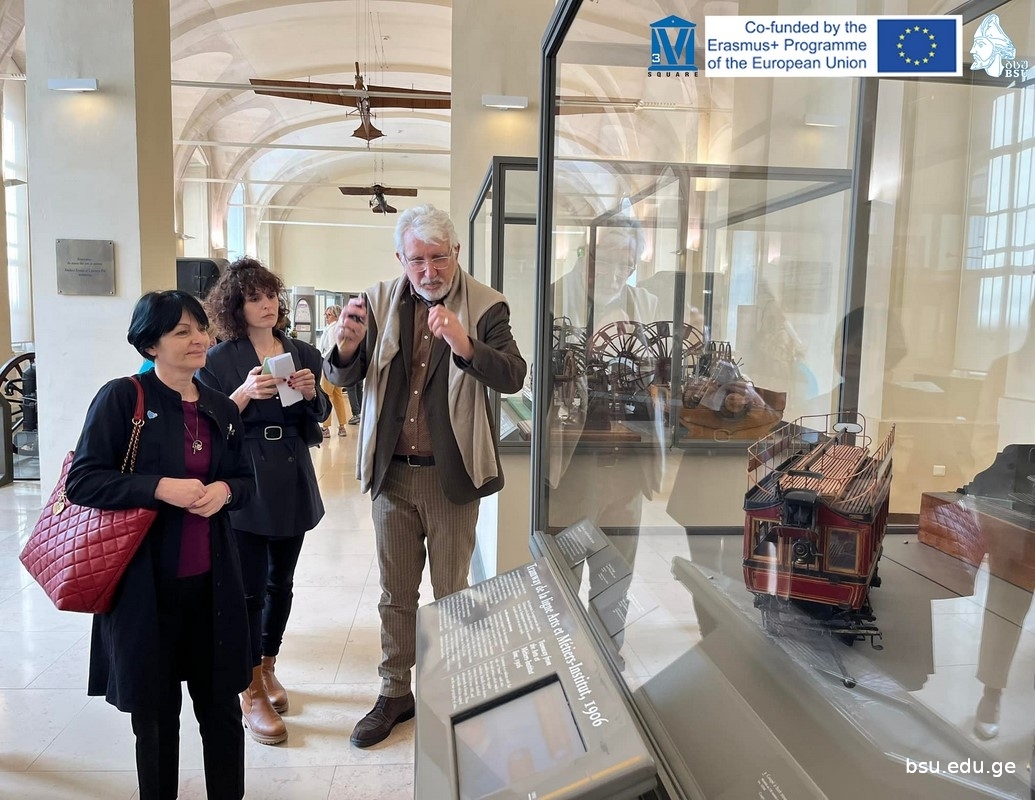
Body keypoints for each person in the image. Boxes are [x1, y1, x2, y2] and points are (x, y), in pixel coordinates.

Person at [324, 204, 526, 748]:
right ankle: (395, 692)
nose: (429, 270)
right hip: (391, 474)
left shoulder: (485, 305)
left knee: (452, 592)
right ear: (401, 259)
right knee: (395, 593)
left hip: (451, 477)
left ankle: (450, 690)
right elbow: (343, 373)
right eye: (417, 260)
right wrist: (345, 346)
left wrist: (465, 344)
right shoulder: (377, 301)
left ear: (456, 252)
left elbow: (513, 375)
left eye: (439, 257)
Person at [66, 290, 254, 800]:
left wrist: (225, 490)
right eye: (182, 332)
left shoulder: (220, 406)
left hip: (212, 588)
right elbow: (83, 481)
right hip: (144, 590)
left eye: (201, 328)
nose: (199, 340)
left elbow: (245, 480)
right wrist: (159, 487)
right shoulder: (122, 398)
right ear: (150, 345)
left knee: (221, 711)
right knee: (155, 720)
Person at [197, 257, 329, 745]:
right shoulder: (219, 359)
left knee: (282, 583)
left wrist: (312, 395)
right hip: (246, 474)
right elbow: (208, 422)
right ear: (236, 306)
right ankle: (249, 685)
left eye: (271, 295)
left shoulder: (303, 352)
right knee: (248, 588)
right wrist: (243, 393)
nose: (266, 305)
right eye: (254, 298)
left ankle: (268, 664)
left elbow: (318, 415)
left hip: (292, 471)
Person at [317, 305, 350, 437]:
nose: (326, 317)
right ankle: (342, 426)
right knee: (338, 396)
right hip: (339, 367)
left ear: (336, 316)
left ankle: (325, 427)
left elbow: (332, 348)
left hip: (330, 366)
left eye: (329, 315)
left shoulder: (332, 329)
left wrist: (323, 359)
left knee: (326, 396)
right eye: (325, 314)